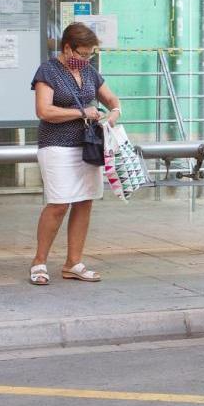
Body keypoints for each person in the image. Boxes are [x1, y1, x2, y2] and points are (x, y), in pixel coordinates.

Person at [27, 22, 122, 286]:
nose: (86, 59)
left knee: (85, 201)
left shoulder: (89, 71)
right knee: (59, 203)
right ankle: (39, 261)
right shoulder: (48, 70)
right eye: (82, 54)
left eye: (91, 54)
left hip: (87, 145)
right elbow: (44, 111)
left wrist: (113, 114)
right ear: (67, 48)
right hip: (56, 145)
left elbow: (112, 101)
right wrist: (81, 112)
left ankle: (73, 263)